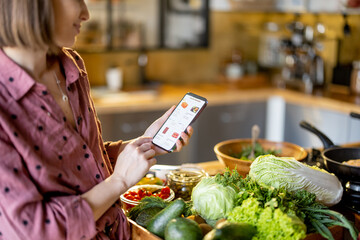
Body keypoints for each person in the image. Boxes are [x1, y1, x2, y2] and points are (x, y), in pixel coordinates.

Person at [0, 0, 193, 239]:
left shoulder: (71, 67)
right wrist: (120, 180)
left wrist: (144, 145)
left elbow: (81, 164)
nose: (86, 14)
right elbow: (36, 231)